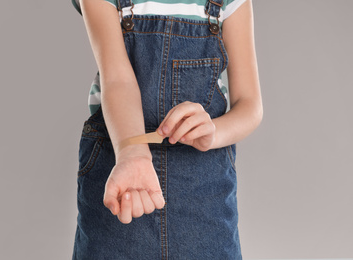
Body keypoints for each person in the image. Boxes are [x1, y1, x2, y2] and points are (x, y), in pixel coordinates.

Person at [71, 0, 262, 258]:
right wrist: (133, 154)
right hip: (122, 172)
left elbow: (250, 105)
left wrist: (213, 132)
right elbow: (116, 78)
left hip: (204, 188)